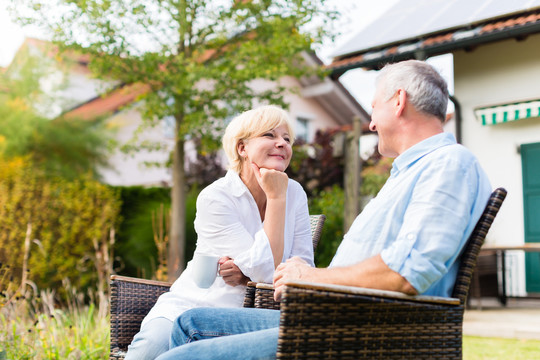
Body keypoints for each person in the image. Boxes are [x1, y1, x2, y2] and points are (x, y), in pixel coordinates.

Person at [154, 59, 493, 360]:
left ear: (399, 102)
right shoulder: (408, 173)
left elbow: (407, 271)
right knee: (190, 321)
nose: (371, 123)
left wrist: (312, 277)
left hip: (360, 333)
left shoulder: (448, 164)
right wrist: (305, 280)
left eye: (374, 108)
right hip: (331, 316)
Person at [124, 105, 315, 359]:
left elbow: (302, 269)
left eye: (287, 139)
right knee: (149, 353)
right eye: (269, 135)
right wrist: (255, 272)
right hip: (193, 306)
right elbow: (267, 271)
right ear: (242, 148)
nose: (282, 143)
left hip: (253, 319)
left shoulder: (294, 194)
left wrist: (277, 199)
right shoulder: (216, 197)